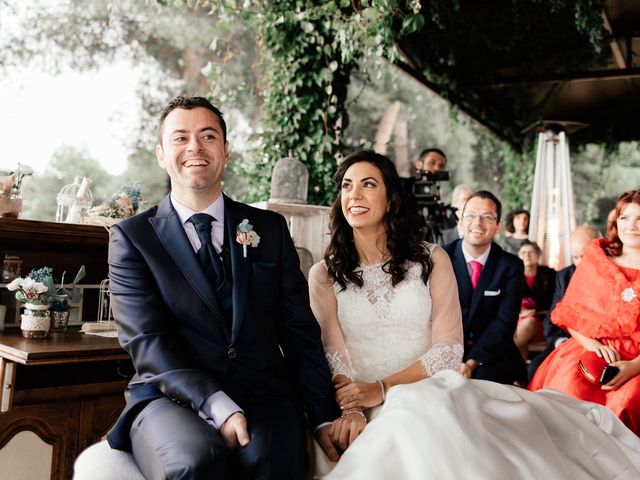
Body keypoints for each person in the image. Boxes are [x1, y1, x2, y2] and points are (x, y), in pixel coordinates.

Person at [309, 151, 640, 479]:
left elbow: (449, 350)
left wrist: (383, 388)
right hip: (360, 400)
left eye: (368, 184)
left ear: (391, 199)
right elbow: (334, 354)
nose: (354, 194)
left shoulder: (431, 259)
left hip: (426, 389)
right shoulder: (323, 274)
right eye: (346, 186)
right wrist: (352, 409)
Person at [106, 96, 340, 479]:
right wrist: (217, 404)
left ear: (226, 151)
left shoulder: (269, 230)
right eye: (180, 138)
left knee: (272, 463)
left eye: (208, 136)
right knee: (196, 463)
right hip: (169, 398)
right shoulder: (133, 239)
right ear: (162, 155)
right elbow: (147, 341)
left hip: (264, 395)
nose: (195, 147)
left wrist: (322, 415)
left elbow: (299, 332)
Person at [529, 189, 640, 435]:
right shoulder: (598, 259)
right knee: (569, 391)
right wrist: (592, 345)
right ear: (615, 222)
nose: (631, 225)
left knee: (627, 403)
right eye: (625, 218)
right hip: (593, 349)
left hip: (637, 360)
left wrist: (633, 367)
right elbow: (570, 315)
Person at [444, 191, 528, 385]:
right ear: (461, 221)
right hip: (447, 352)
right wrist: (453, 359)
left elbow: (504, 323)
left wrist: (471, 362)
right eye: (471, 215)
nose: (478, 223)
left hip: (492, 353)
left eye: (487, 217)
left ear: (498, 226)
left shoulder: (511, 266)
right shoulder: (441, 258)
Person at [527, 225, 599, 378]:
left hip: (599, 345)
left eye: (583, 255)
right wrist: (560, 341)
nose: (580, 262)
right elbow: (551, 319)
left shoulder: (612, 273)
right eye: (575, 257)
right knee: (534, 369)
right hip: (566, 341)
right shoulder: (565, 276)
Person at [514, 240, 556, 360]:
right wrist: (520, 313)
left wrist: (535, 312)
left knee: (529, 322)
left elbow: (556, 303)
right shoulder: (513, 276)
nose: (526, 256)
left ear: (538, 255)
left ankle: (499, 356)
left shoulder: (550, 275)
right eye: (523, 253)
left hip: (543, 323)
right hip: (517, 323)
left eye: (530, 252)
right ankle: (519, 377)